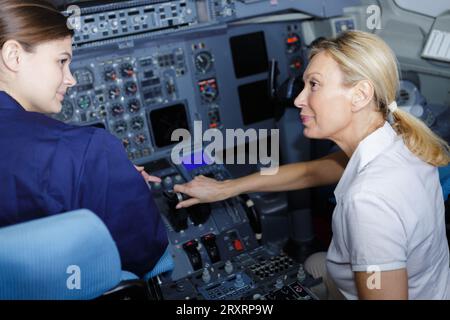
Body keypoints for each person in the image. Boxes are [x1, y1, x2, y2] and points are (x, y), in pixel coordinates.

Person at [174, 30, 450, 299]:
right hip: (430, 287)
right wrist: (226, 187)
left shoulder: (368, 201)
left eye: (314, 85)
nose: (298, 99)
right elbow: (311, 172)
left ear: (360, 94)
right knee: (317, 263)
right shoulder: (399, 141)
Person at [0, 0, 167, 277]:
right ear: (14, 56)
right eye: (62, 61)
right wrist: (123, 185)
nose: (71, 79)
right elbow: (143, 252)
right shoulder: (88, 150)